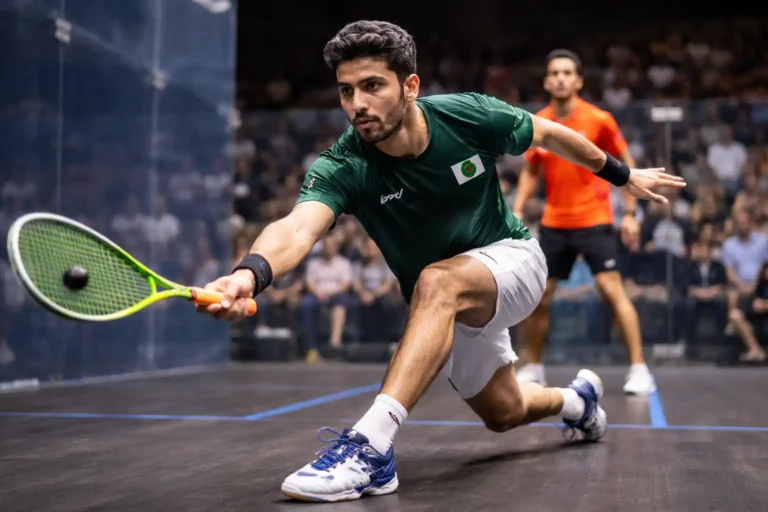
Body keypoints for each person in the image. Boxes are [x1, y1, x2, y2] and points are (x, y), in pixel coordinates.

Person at [196, 21, 685, 502]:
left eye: (372, 87)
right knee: (505, 412)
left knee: (436, 281)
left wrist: (622, 175)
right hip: (448, 304)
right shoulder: (345, 165)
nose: (358, 105)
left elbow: (551, 135)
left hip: (513, 260)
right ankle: (578, 401)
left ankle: (371, 449)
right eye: (346, 91)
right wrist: (249, 273)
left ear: (410, 86)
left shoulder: (467, 116)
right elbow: (297, 227)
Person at [513, 50, 656, 395]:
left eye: (567, 73)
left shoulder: (600, 119)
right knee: (540, 297)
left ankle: (639, 369)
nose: (561, 78)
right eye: (554, 73)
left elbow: (626, 166)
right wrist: (518, 209)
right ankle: (533, 366)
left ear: (578, 81)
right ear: (547, 81)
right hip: (554, 223)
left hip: (594, 220)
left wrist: (632, 214)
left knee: (611, 292)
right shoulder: (538, 122)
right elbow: (531, 171)